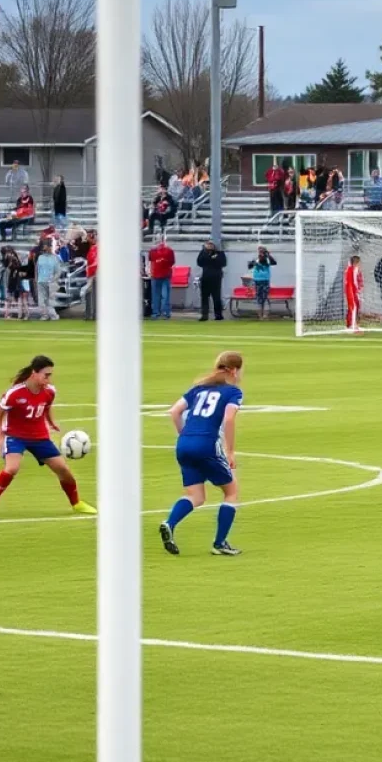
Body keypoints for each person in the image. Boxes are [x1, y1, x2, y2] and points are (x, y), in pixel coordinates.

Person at [0, 355, 97, 519]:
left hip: (39, 437)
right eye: (46, 375)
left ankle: (77, 503)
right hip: (15, 436)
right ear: (34, 373)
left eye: (50, 375)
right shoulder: (15, 393)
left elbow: (46, 406)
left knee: (63, 470)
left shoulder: (50, 391)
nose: (48, 379)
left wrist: (51, 423)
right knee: (12, 468)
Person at [159, 350, 245, 557]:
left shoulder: (198, 388)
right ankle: (220, 543)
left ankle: (169, 523)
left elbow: (174, 411)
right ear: (234, 371)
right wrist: (230, 451)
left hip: (184, 444)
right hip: (207, 444)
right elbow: (229, 419)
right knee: (231, 491)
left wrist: (185, 435)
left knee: (195, 496)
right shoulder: (233, 392)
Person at [197, 240, 227, 321]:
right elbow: (199, 262)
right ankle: (204, 315)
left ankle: (218, 315)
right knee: (204, 297)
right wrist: (209, 256)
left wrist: (212, 258)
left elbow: (223, 263)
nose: (210, 246)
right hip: (206, 277)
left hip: (216, 278)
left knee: (216, 297)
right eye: (208, 244)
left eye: (211, 244)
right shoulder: (203, 253)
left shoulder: (219, 253)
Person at [148, 238, 176, 320]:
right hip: (161, 275)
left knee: (157, 296)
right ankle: (164, 313)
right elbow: (172, 262)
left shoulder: (153, 251)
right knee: (164, 295)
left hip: (160, 275)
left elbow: (151, 260)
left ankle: (157, 313)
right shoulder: (169, 250)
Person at [35, 240, 61, 321]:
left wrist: (53, 280)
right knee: (41, 300)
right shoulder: (40, 257)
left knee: (50, 301)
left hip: (51, 282)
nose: (44, 247)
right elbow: (37, 269)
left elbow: (58, 271)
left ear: (50, 247)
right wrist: (36, 279)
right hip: (41, 281)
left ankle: (54, 316)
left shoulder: (55, 258)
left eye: (46, 245)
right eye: (44, 245)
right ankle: (44, 315)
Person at [249, 246, 275, 319]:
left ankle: (264, 315)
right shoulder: (256, 259)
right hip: (258, 280)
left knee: (264, 298)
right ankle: (260, 315)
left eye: (262, 251)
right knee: (259, 298)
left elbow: (274, 263)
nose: (261, 253)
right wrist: (253, 262)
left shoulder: (267, 259)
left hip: (264, 280)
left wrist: (268, 255)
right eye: (260, 251)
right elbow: (250, 266)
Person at [344, 254, 363, 332]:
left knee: (356, 306)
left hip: (354, 291)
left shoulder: (355, 269)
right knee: (353, 307)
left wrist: (359, 289)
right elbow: (351, 282)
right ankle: (352, 325)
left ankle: (352, 324)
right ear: (356, 263)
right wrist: (354, 291)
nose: (360, 264)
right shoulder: (351, 269)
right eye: (359, 262)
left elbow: (358, 281)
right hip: (351, 291)